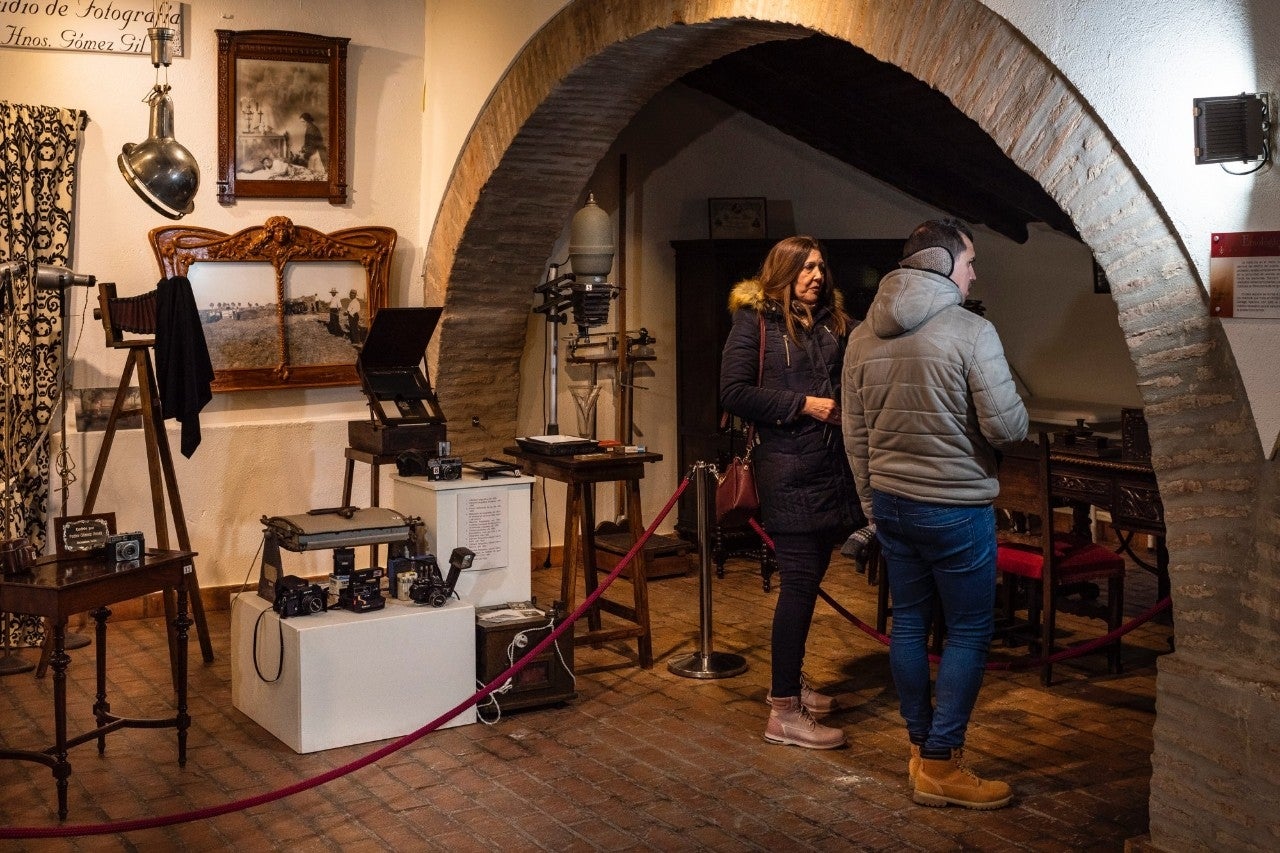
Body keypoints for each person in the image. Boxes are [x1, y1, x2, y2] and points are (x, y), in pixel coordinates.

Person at [841, 218, 1028, 809]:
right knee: (970, 631)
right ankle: (943, 763)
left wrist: (873, 507)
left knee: (910, 626)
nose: (974, 272)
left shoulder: (862, 336)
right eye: (969, 261)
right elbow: (1008, 427)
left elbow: (856, 435)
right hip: (955, 505)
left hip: (894, 502)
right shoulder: (972, 331)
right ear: (944, 264)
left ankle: (921, 749)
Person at [719, 235, 863, 750]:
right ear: (782, 272)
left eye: (822, 266)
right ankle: (783, 713)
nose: (816, 275)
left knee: (806, 582)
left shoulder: (832, 323)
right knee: (799, 585)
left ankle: (790, 682)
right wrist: (804, 404)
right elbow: (733, 393)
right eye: (805, 267)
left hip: (828, 470)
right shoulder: (755, 322)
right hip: (786, 468)